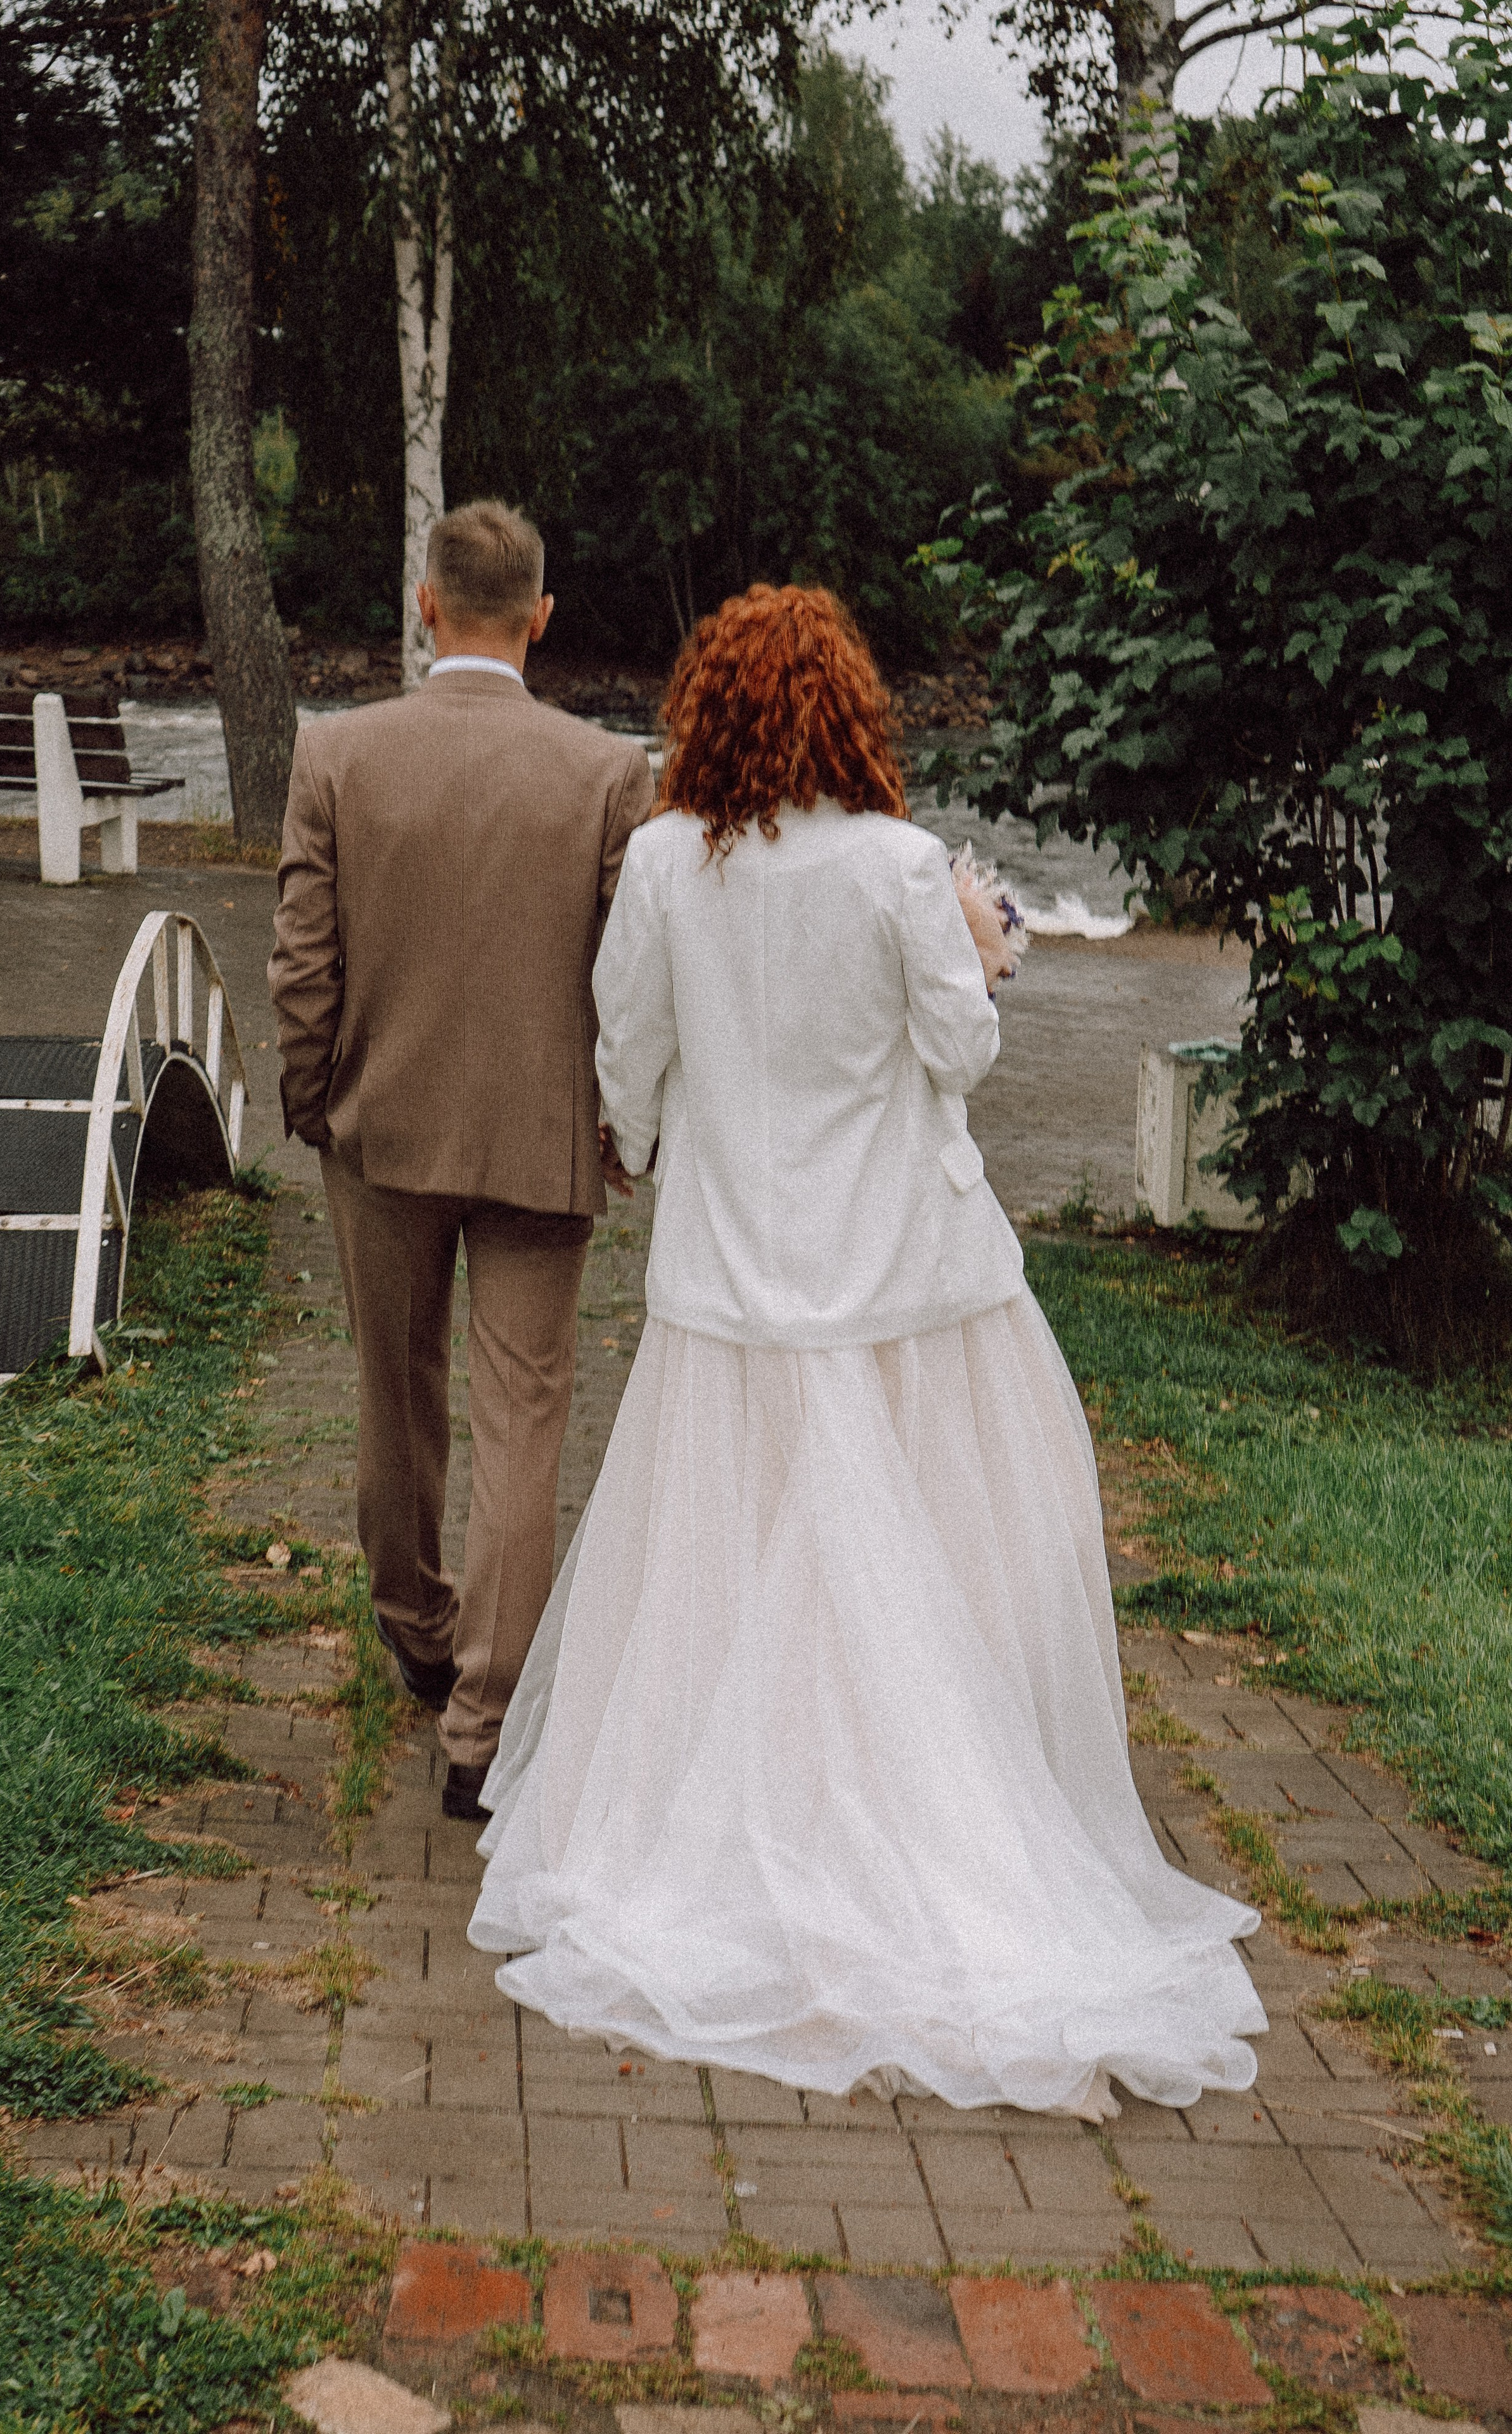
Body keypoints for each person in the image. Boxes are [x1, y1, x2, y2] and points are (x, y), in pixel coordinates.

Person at [468, 584, 1264, 2116]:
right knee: (912, 1538)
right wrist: (980, 947)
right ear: (849, 713)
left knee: (731, 1543)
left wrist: (637, 1139)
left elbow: (627, 1045)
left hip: (730, 1273)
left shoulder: (663, 861)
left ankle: (740, 1799)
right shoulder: (902, 866)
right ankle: (909, 1790)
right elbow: (959, 1052)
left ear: (708, 713)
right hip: (897, 1265)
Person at [269, 499, 654, 1820]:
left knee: (395, 1392)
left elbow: (303, 958)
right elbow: (629, 980)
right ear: (541, 618)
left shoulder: (337, 752)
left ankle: (418, 1627)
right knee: (523, 1421)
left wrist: (312, 1098)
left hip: (379, 1128)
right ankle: (484, 1732)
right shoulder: (608, 772)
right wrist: (623, 1123)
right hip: (543, 1137)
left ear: (426, 604)